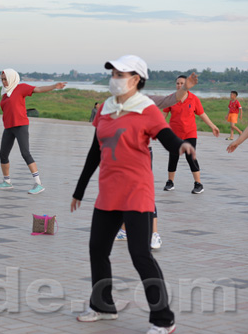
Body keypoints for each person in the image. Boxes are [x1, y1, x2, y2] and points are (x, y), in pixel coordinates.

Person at [71, 55, 196, 334]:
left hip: (137, 190)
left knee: (140, 254)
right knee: (97, 249)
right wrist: (79, 190)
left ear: (136, 79)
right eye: (113, 73)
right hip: (109, 191)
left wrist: (181, 146)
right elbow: (95, 151)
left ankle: (164, 319)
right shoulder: (106, 107)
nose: (114, 78)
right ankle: (103, 306)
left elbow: (165, 135)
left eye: (119, 74)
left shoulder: (146, 108)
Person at [115, 72, 200, 249]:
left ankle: (154, 234)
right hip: (123, 155)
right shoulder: (116, 102)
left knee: (144, 192)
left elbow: (170, 100)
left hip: (143, 155)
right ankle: (124, 230)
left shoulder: (147, 100)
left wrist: (185, 88)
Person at [0, 69, 66, 194]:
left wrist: (54, 86)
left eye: (6, 79)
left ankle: (38, 183)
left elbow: (38, 89)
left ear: (12, 78)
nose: (4, 82)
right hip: (8, 127)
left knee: (25, 153)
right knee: (3, 154)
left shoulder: (21, 88)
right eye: (2, 79)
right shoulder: (5, 93)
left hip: (21, 125)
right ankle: (7, 182)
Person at [162, 75, 220, 194]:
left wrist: (213, 126)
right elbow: (163, 116)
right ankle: (170, 182)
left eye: (182, 83)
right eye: (177, 83)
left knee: (190, 157)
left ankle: (198, 184)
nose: (179, 85)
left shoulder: (194, 99)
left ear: (187, 85)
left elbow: (202, 114)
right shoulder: (170, 99)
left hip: (190, 133)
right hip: (174, 134)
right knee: (173, 157)